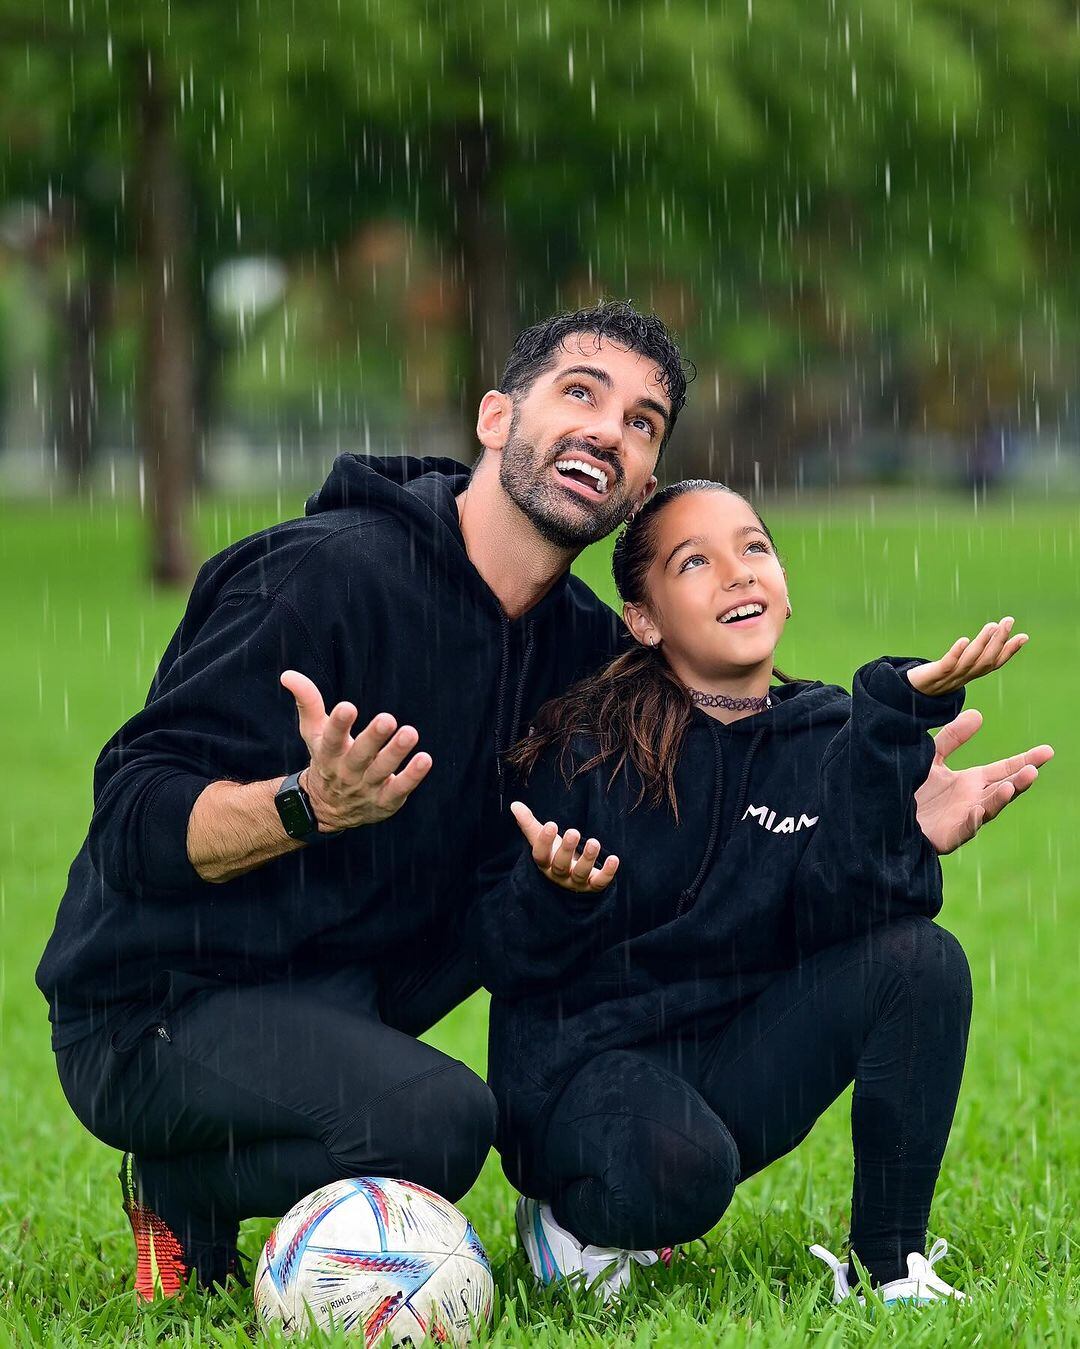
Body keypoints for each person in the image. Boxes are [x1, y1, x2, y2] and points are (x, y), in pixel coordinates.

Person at [36, 304, 1049, 1303]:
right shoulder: (319, 576)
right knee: (433, 1125)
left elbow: (737, 762)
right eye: (581, 393)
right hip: (154, 1005)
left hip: (345, 1003)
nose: (609, 429)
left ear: (644, 479)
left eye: (642, 421)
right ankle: (177, 1183)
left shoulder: (588, 655)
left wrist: (885, 813)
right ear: (494, 419)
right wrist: (307, 803)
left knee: (431, 1117)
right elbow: (132, 814)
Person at [477, 479, 1053, 1306]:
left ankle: (889, 1265)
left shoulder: (827, 736)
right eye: (695, 561)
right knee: (680, 1177)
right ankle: (570, 1216)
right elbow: (501, 953)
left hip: (734, 1055)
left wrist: (898, 786)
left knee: (923, 960)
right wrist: (554, 893)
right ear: (644, 618)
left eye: (753, 548)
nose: (738, 573)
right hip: (589, 1071)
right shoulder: (591, 743)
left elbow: (842, 913)